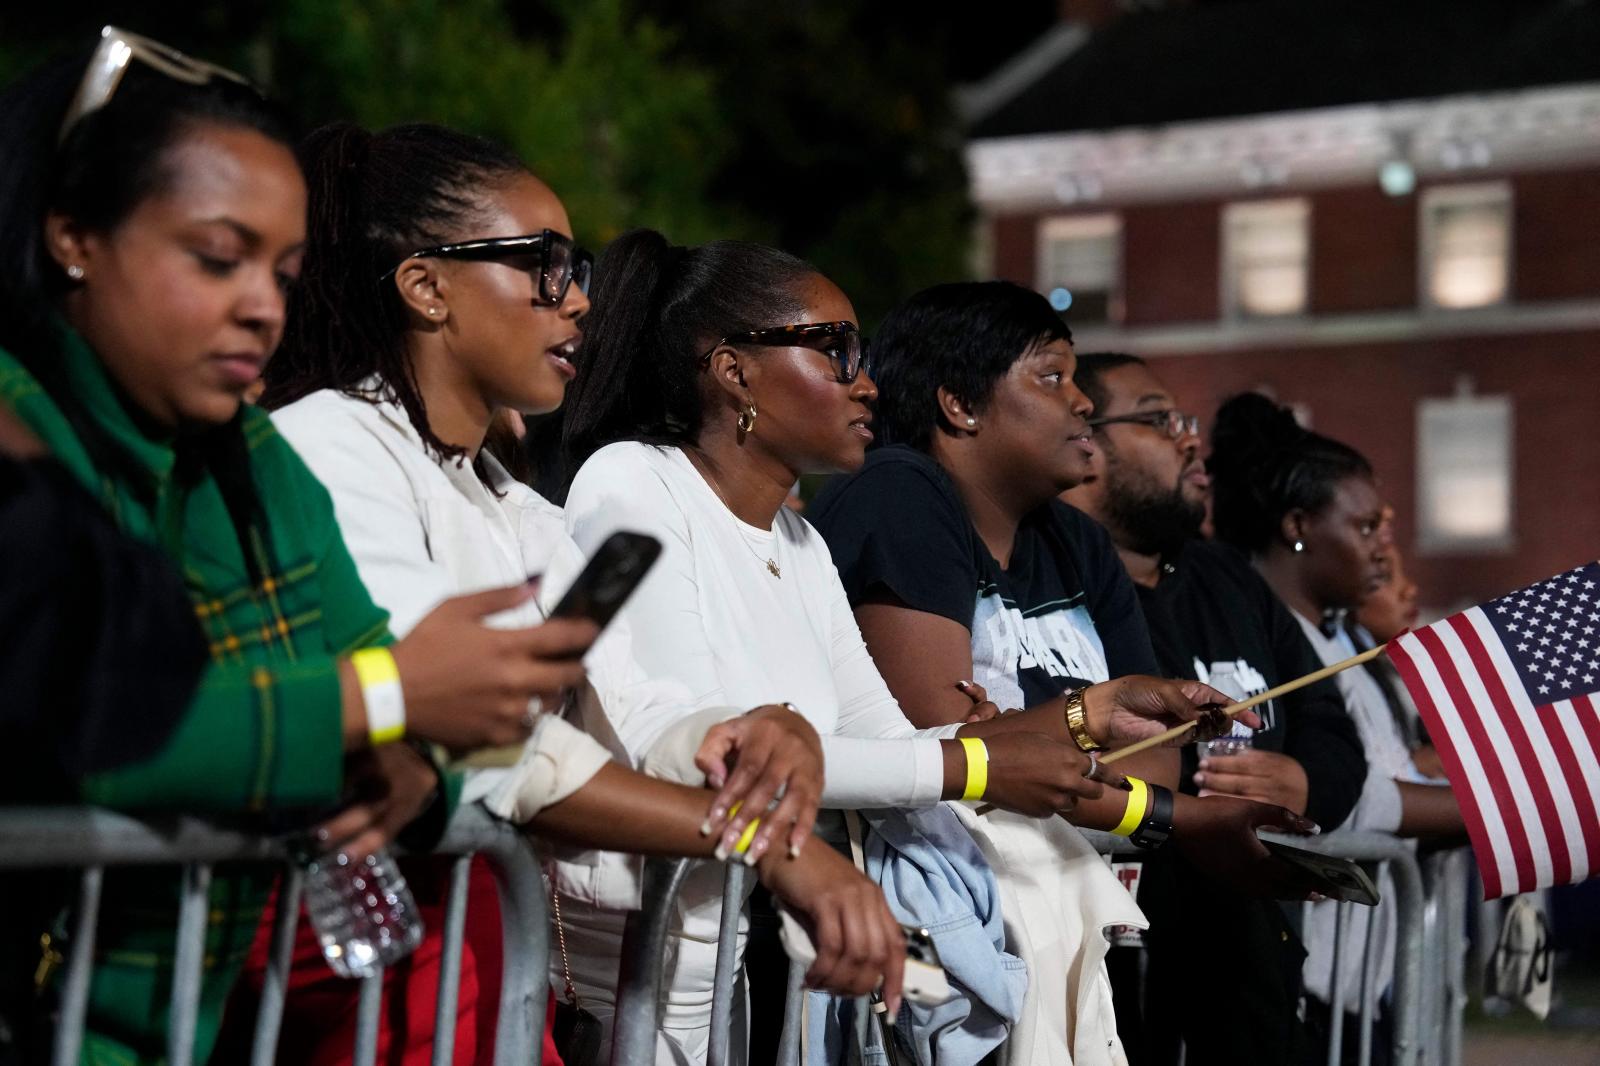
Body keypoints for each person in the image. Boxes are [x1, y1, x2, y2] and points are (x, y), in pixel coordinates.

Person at [224, 121, 898, 1065]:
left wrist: (735, 734)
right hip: (351, 974)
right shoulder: (331, 442)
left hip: (467, 964)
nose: (578, 299)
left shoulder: (516, 508)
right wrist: (772, 843)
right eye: (543, 265)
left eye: (575, 267)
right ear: (426, 286)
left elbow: (632, 705)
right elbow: (488, 738)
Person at [0, 29, 614, 1064]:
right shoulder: (17, 420)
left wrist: (413, 755)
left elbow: (378, 668)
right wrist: (382, 702)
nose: (261, 306)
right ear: (73, 235)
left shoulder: (249, 451)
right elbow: (84, 722)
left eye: (283, 271)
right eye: (216, 257)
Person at [555, 246, 1265, 1064]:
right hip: (648, 984)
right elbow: (689, 742)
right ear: (733, 371)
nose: (868, 383)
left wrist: (1087, 715)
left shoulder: (801, 542)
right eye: (837, 350)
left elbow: (888, 745)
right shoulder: (632, 482)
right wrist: (975, 768)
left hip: (772, 971)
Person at [810, 281, 1321, 1065]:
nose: (1082, 404)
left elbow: (1157, 757)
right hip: (931, 946)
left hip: (1053, 917)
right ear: (960, 405)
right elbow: (939, 750)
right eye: (1051, 377)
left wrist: (1022, 732)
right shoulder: (901, 493)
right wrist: (1072, 730)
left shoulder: (1076, 544)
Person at [1064, 352, 1367, 1065]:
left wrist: (1303, 780)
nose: (1188, 440)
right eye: (1157, 419)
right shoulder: (1060, 579)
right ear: (1086, 444)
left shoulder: (1226, 575)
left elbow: (1329, 720)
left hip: (1245, 986)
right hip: (1114, 978)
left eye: (1185, 420)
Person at [1208, 391, 1467, 1062]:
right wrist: (1479, 809)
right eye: (1366, 527)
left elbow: (1381, 770)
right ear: (1298, 525)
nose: (1385, 549)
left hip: (1363, 983)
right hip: (1310, 984)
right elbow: (1355, 794)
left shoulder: (1344, 646)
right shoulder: (1272, 643)